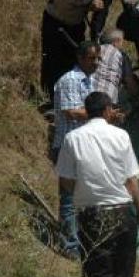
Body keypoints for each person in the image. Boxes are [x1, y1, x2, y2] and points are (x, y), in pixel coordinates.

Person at [56, 91, 139, 277]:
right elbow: (131, 179)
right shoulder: (121, 136)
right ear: (108, 110)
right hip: (123, 213)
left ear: (87, 111)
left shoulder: (72, 138)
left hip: (93, 214)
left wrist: (86, 191)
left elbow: (66, 181)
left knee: (99, 271)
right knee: (123, 271)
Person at [41, 0, 123, 99]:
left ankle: (67, 96)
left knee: (75, 59)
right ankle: (48, 98)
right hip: (58, 23)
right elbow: (63, 9)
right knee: (53, 61)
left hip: (75, 24)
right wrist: (89, 6)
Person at [51, 41, 100, 257]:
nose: (96, 63)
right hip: (68, 147)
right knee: (70, 198)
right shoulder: (71, 80)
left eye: (98, 58)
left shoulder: (90, 80)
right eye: (92, 58)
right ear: (80, 58)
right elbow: (71, 112)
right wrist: (101, 115)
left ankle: (80, 241)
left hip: (85, 146)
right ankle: (69, 246)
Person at [93, 29, 138, 105]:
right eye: (122, 41)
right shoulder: (121, 56)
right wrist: (138, 95)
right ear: (116, 41)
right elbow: (129, 82)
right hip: (106, 100)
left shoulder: (92, 51)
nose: (122, 44)